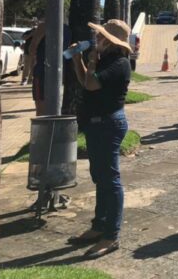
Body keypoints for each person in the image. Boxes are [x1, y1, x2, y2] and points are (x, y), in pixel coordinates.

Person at [67, 19, 132, 258]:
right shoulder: (105, 60)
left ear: (109, 40)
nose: (96, 39)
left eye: (100, 36)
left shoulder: (119, 63)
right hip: (97, 124)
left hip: (108, 124)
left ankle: (110, 235)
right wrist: (77, 59)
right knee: (100, 177)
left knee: (110, 180)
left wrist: (91, 60)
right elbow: (86, 81)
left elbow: (93, 84)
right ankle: (99, 225)